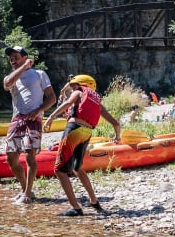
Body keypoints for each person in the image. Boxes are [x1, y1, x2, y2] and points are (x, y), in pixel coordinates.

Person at [42, 74, 121, 216]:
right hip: (87, 133)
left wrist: (50, 118)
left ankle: (76, 208)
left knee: (59, 170)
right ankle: (94, 201)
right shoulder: (97, 102)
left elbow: (67, 103)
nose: (73, 89)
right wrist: (117, 137)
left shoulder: (79, 92)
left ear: (81, 85)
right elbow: (116, 124)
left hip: (74, 129)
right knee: (77, 168)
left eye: (73, 86)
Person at [3, 46, 56, 204]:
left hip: (34, 118)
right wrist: (23, 67)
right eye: (11, 59)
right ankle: (26, 190)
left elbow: (52, 98)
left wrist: (39, 110)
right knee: (11, 157)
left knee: (29, 155)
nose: (13, 61)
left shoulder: (39, 74)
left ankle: (27, 193)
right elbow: (7, 84)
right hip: (17, 118)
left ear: (25, 57)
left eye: (16, 58)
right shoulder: (11, 77)